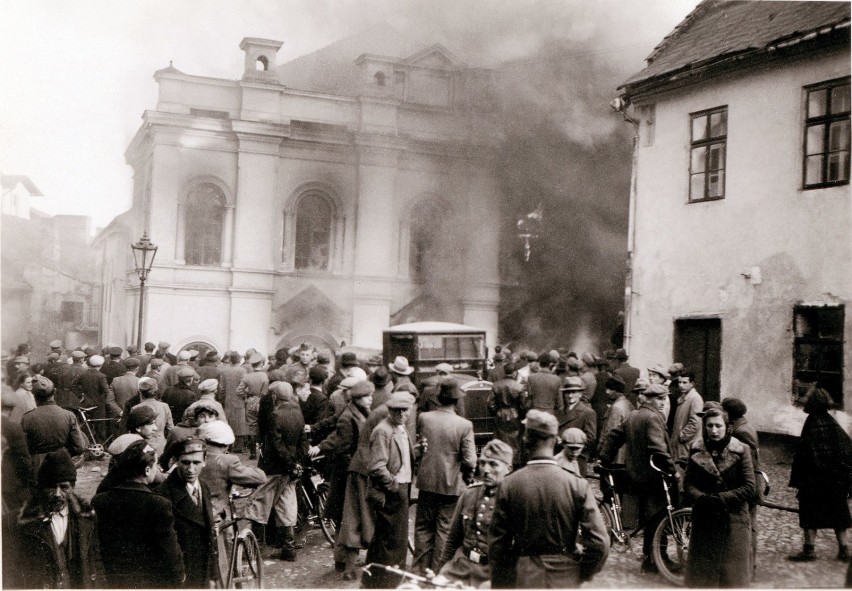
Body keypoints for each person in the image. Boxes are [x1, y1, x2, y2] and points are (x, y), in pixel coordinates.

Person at [488, 409, 608, 588]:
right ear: (556, 441)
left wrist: (504, 581)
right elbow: (600, 543)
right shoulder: (577, 484)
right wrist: (580, 573)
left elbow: (497, 546)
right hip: (565, 576)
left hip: (525, 576)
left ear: (526, 439)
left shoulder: (509, 484)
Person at [599, 383, 674, 574]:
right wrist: (672, 470)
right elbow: (658, 450)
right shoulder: (653, 418)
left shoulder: (634, 416)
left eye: (663, 398)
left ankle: (651, 561)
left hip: (635, 477)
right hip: (654, 478)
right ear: (650, 399)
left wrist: (604, 459)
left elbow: (613, 436)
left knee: (650, 519)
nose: (663, 403)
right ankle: (657, 559)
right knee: (658, 518)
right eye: (660, 399)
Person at [93, 440, 185, 587]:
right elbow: (170, 553)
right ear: (147, 470)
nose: (157, 470)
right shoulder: (159, 505)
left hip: (114, 580)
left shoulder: (99, 501)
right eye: (155, 466)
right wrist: (179, 578)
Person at [683, 407, 755, 587]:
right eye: (709, 426)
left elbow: (749, 487)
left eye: (718, 426)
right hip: (704, 521)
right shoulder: (696, 449)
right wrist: (702, 498)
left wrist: (721, 498)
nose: (714, 431)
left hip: (734, 521)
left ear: (727, 427)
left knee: (731, 578)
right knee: (703, 578)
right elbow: (688, 484)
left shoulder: (741, 450)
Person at [12, 449, 105, 588]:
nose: (57, 494)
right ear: (41, 488)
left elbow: (96, 563)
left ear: (72, 487)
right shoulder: (23, 522)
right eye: (51, 487)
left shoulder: (87, 518)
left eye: (64, 487)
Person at [412, 379, 477, 575]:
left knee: (423, 528)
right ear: (457, 402)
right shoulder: (464, 425)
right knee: (445, 530)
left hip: (427, 482)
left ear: (439, 398)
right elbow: (470, 460)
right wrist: (468, 475)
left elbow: (421, 447)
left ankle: (419, 573)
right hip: (451, 484)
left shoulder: (424, 418)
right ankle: (438, 573)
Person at [362, 392, 422, 589]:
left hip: (401, 488)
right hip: (391, 492)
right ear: (394, 411)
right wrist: (394, 486)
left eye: (407, 411)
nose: (405, 415)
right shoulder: (383, 431)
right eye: (401, 411)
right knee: (392, 542)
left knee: (389, 538)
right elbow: (376, 466)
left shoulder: (399, 428)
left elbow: (402, 456)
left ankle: (376, 580)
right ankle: (387, 582)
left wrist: (418, 451)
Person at [437, 439, 514, 588]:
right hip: (460, 567)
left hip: (491, 574)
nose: (486, 469)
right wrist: (441, 570)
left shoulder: (513, 500)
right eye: (483, 463)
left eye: (493, 464)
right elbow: (453, 540)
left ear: (508, 468)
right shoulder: (469, 493)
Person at [243, 383, 307, 561]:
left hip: (273, 468)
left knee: (258, 503)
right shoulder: (297, 411)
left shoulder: (275, 415)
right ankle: (289, 549)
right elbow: (303, 440)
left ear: (274, 397)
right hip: (290, 469)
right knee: (287, 504)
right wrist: (297, 463)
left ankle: (257, 549)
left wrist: (288, 463)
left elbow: (276, 445)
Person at [788, 388, 852, 562]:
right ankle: (844, 550)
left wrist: (799, 481)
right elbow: (847, 450)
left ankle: (809, 551)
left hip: (814, 482)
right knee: (839, 514)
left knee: (809, 515)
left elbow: (803, 455)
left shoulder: (811, 423)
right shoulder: (833, 424)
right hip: (835, 481)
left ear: (811, 403)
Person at [308, 380, 372, 530]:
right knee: (346, 510)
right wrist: (321, 446)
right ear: (357, 398)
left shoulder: (360, 411)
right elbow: (341, 442)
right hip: (348, 469)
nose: (371, 399)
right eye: (367, 396)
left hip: (358, 465)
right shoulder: (348, 416)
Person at [155, 437, 218, 588]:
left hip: (202, 573)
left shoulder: (204, 487)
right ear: (176, 461)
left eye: (196, 463)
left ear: (204, 461)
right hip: (180, 578)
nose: (191, 469)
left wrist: (213, 575)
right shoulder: (162, 495)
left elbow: (209, 535)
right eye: (185, 462)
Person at [722, 396, 763, 574]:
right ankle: (749, 565)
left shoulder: (740, 432)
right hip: (753, 481)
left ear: (729, 414)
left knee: (746, 526)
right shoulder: (745, 426)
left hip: (749, 482)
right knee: (749, 525)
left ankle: (747, 566)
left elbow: (746, 462)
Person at [21, 375, 88, 465]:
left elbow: (22, 450)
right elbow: (80, 447)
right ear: (55, 391)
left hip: (37, 468)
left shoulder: (26, 418)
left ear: (34, 395)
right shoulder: (69, 415)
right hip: (62, 467)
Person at [488, 363, 526, 468]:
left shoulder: (496, 385)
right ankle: (514, 464)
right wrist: (521, 415)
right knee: (515, 441)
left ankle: (501, 461)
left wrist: (496, 412)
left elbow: (490, 404)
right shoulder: (519, 387)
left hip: (500, 414)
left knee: (500, 439)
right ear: (514, 373)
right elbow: (523, 405)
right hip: (515, 415)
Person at [557, 376, 596, 476]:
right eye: (567, 392)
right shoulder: (560, 411)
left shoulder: (587, 412)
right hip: (559, 457)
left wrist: (569, 441)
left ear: (580, 394)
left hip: (577, 459)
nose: (570, 396)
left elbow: (591, 438)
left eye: (574, 392)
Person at [129, 378, 174, 455]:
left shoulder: (135, 408)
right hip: (161, 446)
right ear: (155, 392)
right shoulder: (164, 406)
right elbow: (171, 428)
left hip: (142, 446)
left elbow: (132, 432)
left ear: (141, 394)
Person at [237, 352, 269, 459]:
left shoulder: (247, 376)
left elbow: (239, 391)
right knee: (263, 425)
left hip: (250, 402)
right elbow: (265, 392)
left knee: (251, 426)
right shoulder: (265, 376)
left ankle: (252, 452)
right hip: (262, 402)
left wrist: (247, 395)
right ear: (261, 363)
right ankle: (262, 451)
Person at [671, 371, 703, 465]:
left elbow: (695, 422)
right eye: (679, 382)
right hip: (679, 445)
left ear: (692, 384)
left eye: (684, 383)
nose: (681, 385)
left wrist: (682, 436)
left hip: (687, 445)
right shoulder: (683, 398)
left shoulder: (695, 398)